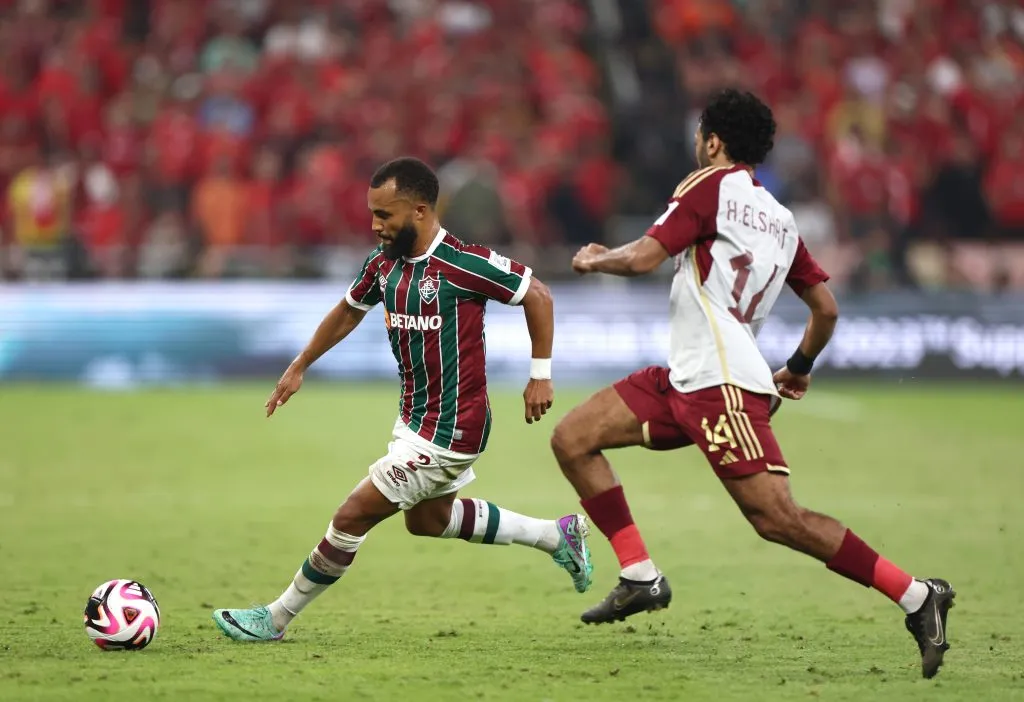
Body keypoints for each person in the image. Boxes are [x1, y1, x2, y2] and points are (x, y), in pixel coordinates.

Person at [550, 89, 954, 679]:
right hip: (686, 377)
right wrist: (800, 366)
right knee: (573, 437)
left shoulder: (706, 185)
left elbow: (643, 258)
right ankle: (640, 575)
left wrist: (595, 260)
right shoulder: (783, 221)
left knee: (777, 519)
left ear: (713, 142)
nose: (697, 145)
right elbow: (828, 310)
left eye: (700, 137)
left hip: (722, 384)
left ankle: (919, 595)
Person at [213, 157, 592, 641]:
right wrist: (301, 363)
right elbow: (349, 312)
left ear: (418, 211)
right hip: (413, 420)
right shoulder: (383, 264)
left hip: (455, 427)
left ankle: (276, 618)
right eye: (372, 214)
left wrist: (541, 375)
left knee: (352, 516)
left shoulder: (464, 262)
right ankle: (556, 536)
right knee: (429, 521)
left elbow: (538, 294)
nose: (375, 226)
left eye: (384, 215)